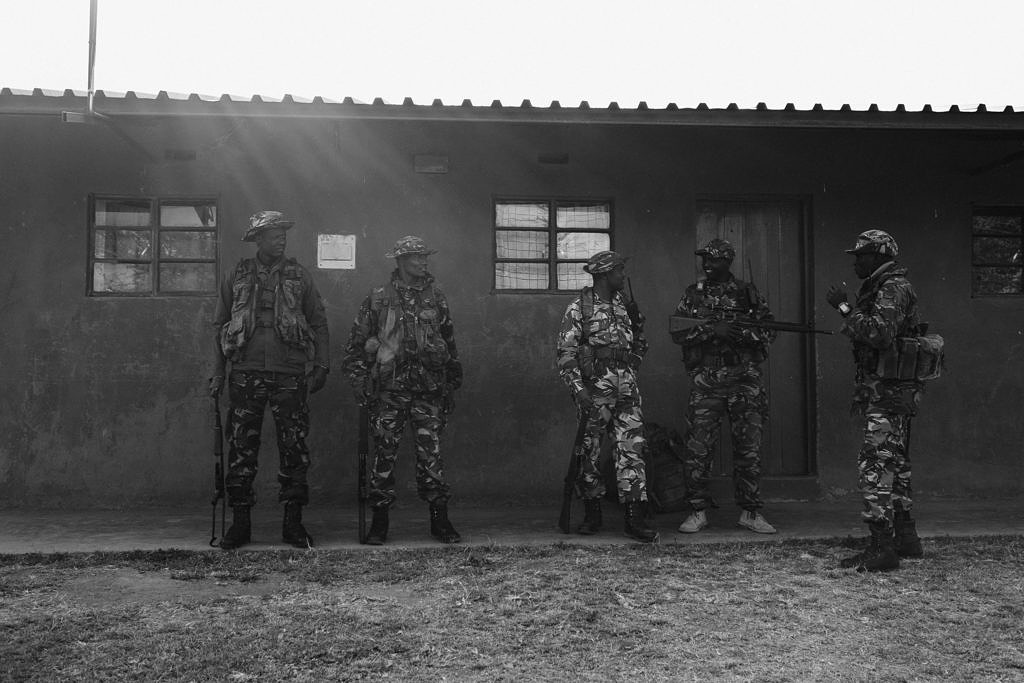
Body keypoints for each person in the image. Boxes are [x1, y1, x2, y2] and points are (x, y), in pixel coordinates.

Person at [209, 210, 329, 550]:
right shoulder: (236, 274)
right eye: (274, 233)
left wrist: (322, 364)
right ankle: (240, 525)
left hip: (290, 375)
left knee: (294, 450)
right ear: (258, 238)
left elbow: (319, 322)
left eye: (283, 233)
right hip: (244, 373)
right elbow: (218, 325)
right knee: (241, 451)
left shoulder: (299, 275)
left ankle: (293, 524)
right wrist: (218, 371)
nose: (281, 238)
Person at [342, 236, 463, 545]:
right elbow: (356, 347)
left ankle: (440, 521)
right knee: (384, 456)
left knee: (431, 456)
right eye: (416, 257)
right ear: (400, 261)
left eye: (425, 256)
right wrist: (359, 384)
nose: (423, 262)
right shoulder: (378, 298)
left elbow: (448, 341)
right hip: (389, 392)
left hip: (428, 390)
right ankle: (379, 524)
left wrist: (451, 380)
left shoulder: (436, 297)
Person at [827, 229, 924, 572]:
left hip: (888, 392)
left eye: (862, 256)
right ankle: (906, 538)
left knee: (876, 466)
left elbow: (879, 334)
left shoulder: (892, 288)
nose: (856, 262)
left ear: (880, 256)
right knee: (895, 465)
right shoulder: (886, 286)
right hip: (889, 390)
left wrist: (843, 307)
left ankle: (882, 546)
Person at [671, 237, 777, 535]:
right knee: (698, 449)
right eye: (705, 258)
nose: (707, 263)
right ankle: (697, 510)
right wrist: (710, 330)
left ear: (727, 261)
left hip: (745, 381)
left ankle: (750, 512)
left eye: (714, 259)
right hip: (707, 382)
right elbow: (677, 332)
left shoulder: (748, 294)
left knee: (749, 450)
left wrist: (740, 335)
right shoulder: (693, 295)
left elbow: (768, 332)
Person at [556, 250, 658, 543]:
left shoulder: (626, 306)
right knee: (589, 452)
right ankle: (593, 513)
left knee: (632, 449)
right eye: (618, 271)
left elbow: (641, 340)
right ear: (603, 274)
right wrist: (579, 390)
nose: (623, 276)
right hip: (595, 394)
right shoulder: (580, 308)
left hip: (627, 392)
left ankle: (634, 518)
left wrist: (632, 366)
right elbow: (566, 354)